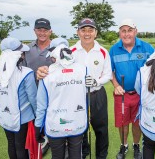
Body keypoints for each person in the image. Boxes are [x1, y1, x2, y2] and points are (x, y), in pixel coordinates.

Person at [36, 18, 112, 159]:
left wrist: (96, 81)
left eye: (90, 30)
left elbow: (108, 73)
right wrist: (43, 70)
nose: (87, 33)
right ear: (78, 32)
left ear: (96, 32)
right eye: (83, 30)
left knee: (101, 130)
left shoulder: (102, 52)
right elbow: (56, 69)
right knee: (79, 129)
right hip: (77, 96)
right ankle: (83, 154)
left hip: (97, 94)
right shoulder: (71, 51)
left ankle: (101, 156)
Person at [34, 38, 88, 159]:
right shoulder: (83, 69)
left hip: (55, 125)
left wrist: (38, 128)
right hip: (77, 123)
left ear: (53, 55)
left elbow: (41, 106)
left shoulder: (46, 74)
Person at [110, 18, 154, 159]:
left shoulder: (147, 48)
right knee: (122, 123)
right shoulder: (114, 50)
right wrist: (116, 85)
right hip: (121, 94)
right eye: (123, 31)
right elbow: (110, 71)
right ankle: (124, 146)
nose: (126, 34)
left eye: (130, 30)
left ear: (135, 31)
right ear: (119, 33)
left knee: (137, 123)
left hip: (141, 94)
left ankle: (136, 145)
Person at [0, 37, 37, 159]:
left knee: (11, 144)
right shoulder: (26, 72)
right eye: (22, 53)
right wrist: (38, 115)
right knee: (20, 146)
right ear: (18, 55)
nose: (23, 55)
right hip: (22, 117)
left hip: (4, 116)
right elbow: (33, 98)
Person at [22, 17, 52, 154]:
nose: (42, 33)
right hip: (32, 92)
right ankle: (42, 141)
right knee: (37, 119)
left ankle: (52, 139)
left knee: (52, 117)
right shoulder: (26, 49)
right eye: (39, 30)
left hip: (53, 92)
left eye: (45, 30)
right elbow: (19, 70)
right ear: (34, 31)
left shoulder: (57, 48)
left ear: (50, 31)